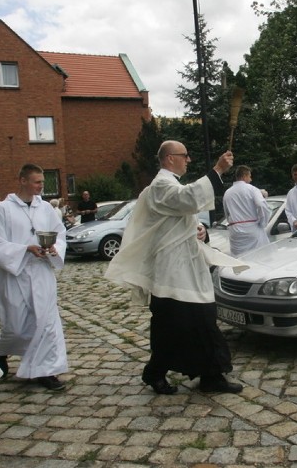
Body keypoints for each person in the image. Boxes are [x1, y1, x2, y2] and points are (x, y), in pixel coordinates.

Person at [105, 141, 248, 395]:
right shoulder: (160, 185)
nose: (188, 160)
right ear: (170, 158)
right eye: (185, 156)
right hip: (172, 273)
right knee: (172, 327)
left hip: (187, 268)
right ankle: (155, 373)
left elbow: (180, 217)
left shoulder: (169, 185)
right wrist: (217, 170)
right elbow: (189, 199)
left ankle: (211, 376)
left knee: (202, 323)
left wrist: (199, 232)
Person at [0, 164, 68, 391]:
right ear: (22, 181)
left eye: (42, 182)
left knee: (47, 324)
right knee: (16, 327)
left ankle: (45, 371)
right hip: (15, 274)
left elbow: (60, 234)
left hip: (42, 273)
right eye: (37, 181)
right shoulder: (1, 210)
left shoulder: (46, 208)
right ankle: (0, 351)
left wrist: (54, 249)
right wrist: (24, 249)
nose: (42, 186)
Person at [222, 165, 270, 256]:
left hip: (235, 233)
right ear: (244, 176)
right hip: (252, 231)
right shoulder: (252, 189)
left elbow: (227, 213)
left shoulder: (227, 193)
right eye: (250, 176)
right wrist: (263, 222)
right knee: (259, 259)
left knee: (240, 262)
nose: (251, 179)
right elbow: (261, 205)